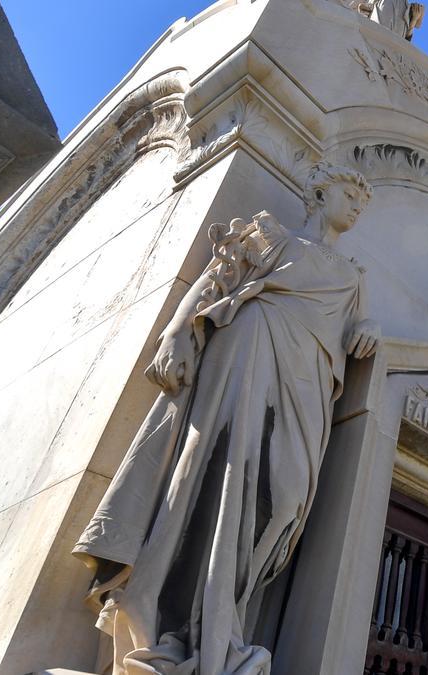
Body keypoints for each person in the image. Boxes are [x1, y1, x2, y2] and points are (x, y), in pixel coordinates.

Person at [73, 162, 381, 674]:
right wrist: (175, 332)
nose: (356, 206)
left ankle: (221, 621)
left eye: (362, 202)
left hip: (307, 385)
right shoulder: (271, 235)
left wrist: (369, 328)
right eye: (350, 192)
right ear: (320, 191)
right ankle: (178, 630)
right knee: (210, 476)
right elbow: (214, 282)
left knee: (285, 502)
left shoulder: (352, 276)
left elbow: (357, 325)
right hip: (249, 348)